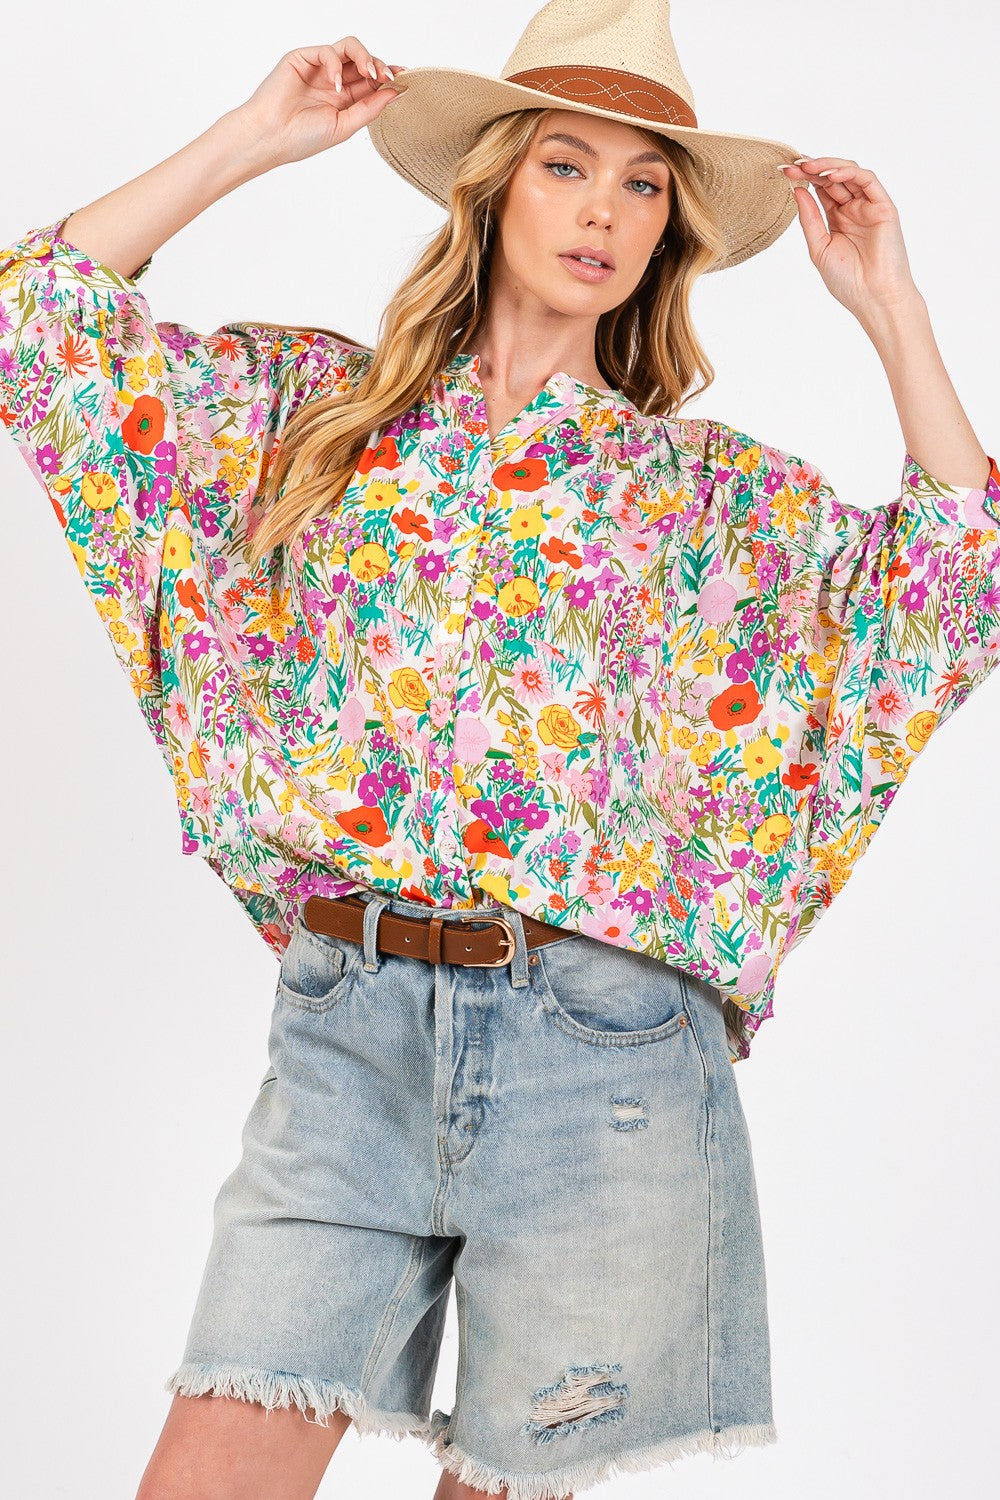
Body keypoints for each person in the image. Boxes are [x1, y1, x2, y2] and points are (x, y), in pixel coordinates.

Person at [1, 3, 997, 1498]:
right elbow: (40, 326)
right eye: (565, 165)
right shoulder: (317, 416)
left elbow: (955, 581)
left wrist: (892, 307)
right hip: (346, 1038)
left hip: (600, 1058)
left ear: (667, 234)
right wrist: (254, 138)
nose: (604, 211)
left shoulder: (701, 497)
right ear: (492, 187)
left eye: (643, 185)